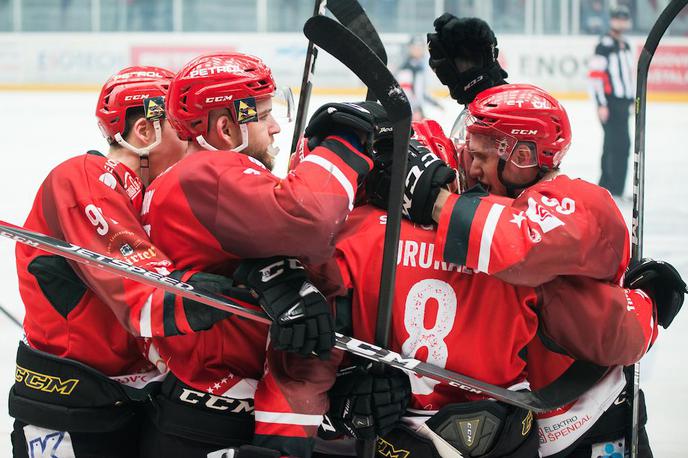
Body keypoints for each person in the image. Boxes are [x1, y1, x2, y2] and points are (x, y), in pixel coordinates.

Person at [308, 122, 659, 458]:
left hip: (387, 434)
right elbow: (614, 332)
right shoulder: (512, 253)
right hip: (516, 430)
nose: (473, 169)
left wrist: (340, 395)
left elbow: (304, 332)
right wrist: (648, 303)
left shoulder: (354, 232)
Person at [372, 81, 686, 456]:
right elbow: (433, 147)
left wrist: (432, 198)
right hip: (524, 425)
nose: (469, 168)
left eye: (482, 155)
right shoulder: (507, 194)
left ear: (522, 157)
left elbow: (516, 245)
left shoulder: (582, 201)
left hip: (591, 423)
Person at [138, 51, 389, 457]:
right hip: (214, 423)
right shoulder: (206, 174)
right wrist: (344, 143)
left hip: (198, 413)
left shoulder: (185, 182)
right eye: (264, 114)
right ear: (225, 128)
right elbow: (310, 219)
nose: (275, 127)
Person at [10, 66, 248, 457]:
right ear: (145, 132)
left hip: (132, 401)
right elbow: (136, 283)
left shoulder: (152, 198)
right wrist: (184, 295)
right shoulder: (85, 176)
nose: (191, 139)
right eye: (181, 129)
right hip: (70, 408)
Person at [588, 5, 635, 198]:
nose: (621, 22)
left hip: (623, 102)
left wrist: (632, 99)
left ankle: (610, 186)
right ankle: (612, 187)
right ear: (612, 20)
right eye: (618, 18)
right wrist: (601, 104)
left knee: (616, 144)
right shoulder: (605, 44)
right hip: (611, 103)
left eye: (624, 19)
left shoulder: (626, 44)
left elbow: (628, 77)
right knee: (618, 144)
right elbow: (595, 76)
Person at [398, 36, 443, 120]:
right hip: (411, 113)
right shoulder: (405, 69)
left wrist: (435, 104)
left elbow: (420, 92)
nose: (418, 50)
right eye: (415, 47)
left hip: (416, 111)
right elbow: (405, 93)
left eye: (420, 47)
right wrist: (415, 109)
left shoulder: (419, 67)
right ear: (410, 48)